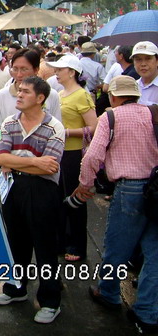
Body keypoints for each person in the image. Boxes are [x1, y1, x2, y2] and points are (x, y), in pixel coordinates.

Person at [74, 76, 158, 334]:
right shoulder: (152, 114)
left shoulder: (110, 117)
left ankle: (109, 292)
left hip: (129, 189)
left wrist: (85, 184)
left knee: (117, 247)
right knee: (155, 253)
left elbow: (92, 157)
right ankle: (148, 312)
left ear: (113, 96)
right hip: (156, 188)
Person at [0, 76, 65, 324]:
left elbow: (50, 167)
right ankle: (16, 289)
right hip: (14, 186)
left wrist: (17, 162)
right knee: (16, 241)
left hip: (43, 189)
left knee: (45, 247)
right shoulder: (10, 122)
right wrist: (35, 161)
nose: (19, 95)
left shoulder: (54, 127)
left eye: (25, 92)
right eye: (19, 90)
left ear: (40, 98)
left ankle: (50, 301)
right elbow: (1, 158)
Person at [46, 55, 97, 262]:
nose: (56, 73)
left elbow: (94, 127)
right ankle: (61, 241)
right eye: (56, 69)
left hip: (74, 154)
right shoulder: (59, 93)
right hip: (57, 152)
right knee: (57, 198)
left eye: (60, 70)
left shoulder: (82, 95)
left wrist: (66, 132)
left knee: (74, 200)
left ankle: (76, 245)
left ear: (72, 72)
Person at [0, 49, 62, 128]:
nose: (19, 75)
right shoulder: (2, 95)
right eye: (15, 69)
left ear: (36, 70)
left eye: (24, 69)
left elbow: (56, 126)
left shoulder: (51, 94)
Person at [131, 41, 158, 106]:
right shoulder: (132, 87)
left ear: (157, 61)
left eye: (148, 59)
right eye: (138, 59)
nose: (143, 64)